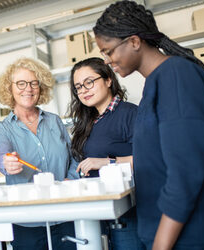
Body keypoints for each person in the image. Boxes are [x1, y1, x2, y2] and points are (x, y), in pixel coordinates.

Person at [93, 1, 204, 249]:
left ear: (134, 42)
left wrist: (161, 244)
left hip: (188, 238)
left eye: (109, 51)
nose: (107, 60)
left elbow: (186, 171)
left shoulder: (176, 75)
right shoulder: (155, 84)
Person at [0, 57, 79, 250]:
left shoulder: (55, 121)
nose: (28, 89)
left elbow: (74, 156)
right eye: (21, 83)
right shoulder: (3, 128)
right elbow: (1, 155)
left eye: (34, 83)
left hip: (65, 214)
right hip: (27, 221)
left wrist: (71, 179)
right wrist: (6, 163)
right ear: (9, 88)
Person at [69, 57, 144, 250]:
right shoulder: (87, 122)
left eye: (89, 82)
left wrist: (106, 162)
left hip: (128, 214)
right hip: (98, 212)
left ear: (108, 80)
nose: (83, 90)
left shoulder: (131, 114)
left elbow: (150, 158)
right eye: (78, 87)